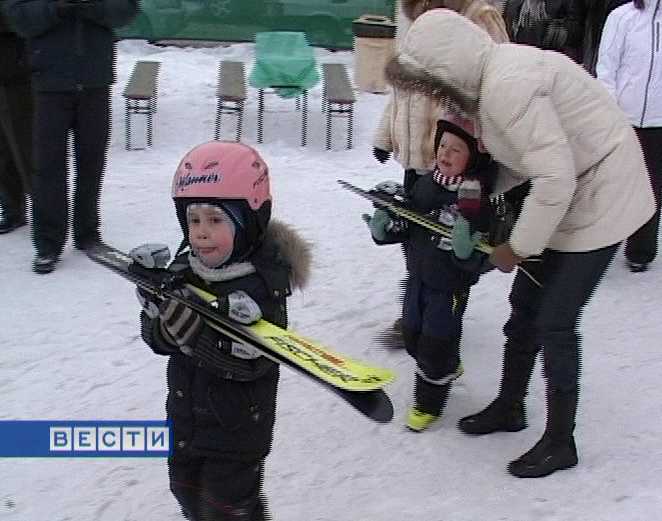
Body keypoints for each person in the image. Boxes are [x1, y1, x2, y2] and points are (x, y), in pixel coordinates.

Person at [384, 9, 655, 477]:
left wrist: (518, 247)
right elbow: (525, 159)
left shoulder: (507, 87)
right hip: (570, 192)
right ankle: (510, 407)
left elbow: (553, 175)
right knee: (524, 307)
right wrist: (471, 189)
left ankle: (560, 441)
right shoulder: (490, 86)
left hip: (605, 196)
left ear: (448, 69)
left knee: (554, 321)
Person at [137, 141, 311, 520]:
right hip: (184, 421)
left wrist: (193, 335)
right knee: (185, 492)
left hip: (236, 434)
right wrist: (157, 312)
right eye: (194, 220)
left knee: (226, 509)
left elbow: (253, 365)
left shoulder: (264, 285)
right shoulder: (186, 270)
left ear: (248, 221)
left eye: (216, 221)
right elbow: (156, 340)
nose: (201, 233)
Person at [373, 0, 508, 334]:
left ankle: (446, 319)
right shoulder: (417, 20)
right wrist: (384, 136)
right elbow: (401, 88)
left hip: (459, 157)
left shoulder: (480, 18)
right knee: (417, 238)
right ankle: (418, 308)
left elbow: (500, 85)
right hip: (420, 159)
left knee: (455, 247)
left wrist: (480, 152)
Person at [368, 112, 496, 432]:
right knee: (412, 334)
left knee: (434, 345)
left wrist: (467, 251)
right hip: (418, 277)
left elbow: (482, 256)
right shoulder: (426, 184)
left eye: (456, 149)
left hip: (449, 286)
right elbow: (408, 224)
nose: (445, 153)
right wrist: (386, 227)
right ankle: (448, 364)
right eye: (442, 145)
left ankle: (429, 404)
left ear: (473, 158)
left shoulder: (475, 199)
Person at [3, 0, 138, 273]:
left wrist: (91, 6)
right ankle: (48, 243)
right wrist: (57, 7)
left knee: (91, 162)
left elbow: (127, 10)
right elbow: (18, 17)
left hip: (95, 81)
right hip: (48, 84)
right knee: (47, 167)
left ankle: (87, 232)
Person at [596, 0, 662, 272]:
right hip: (624, 119)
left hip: (659, 122)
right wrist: (610, 111)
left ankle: (641, 251)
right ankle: (596, 246)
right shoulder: (621, 17)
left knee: (652, 187)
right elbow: (607, 69)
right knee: (612, 184)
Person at [0, 6, 31, 234]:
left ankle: (46, 214)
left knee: (24, 145)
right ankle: (12, 209)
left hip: (16, 70)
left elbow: (19, 14)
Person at [503, 0, 587, 62]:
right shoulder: (514, 3)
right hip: (517, 58)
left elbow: (577, 33)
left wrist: (550, 32)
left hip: (549, 61)